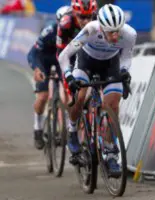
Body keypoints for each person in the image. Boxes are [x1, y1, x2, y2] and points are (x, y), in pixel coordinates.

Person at [58, 4, 136, 174]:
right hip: (86, 62)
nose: (115, 35)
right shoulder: (90, 30)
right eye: (110, 31)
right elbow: (64, 55)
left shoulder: (129, 34)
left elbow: (126, 58)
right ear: (101, 26)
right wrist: (69, 76)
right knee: (79, 97)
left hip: (110, 64)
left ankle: (110, 153)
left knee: (113, 106)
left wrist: (124, 72)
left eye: (118, 30)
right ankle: (72, 130)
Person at [27, 5, 71, 150]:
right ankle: (38, 128)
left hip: (61, 58)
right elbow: (33, 53)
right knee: (43, 97)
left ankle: (68, 128)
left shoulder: (75, 31)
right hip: (44, 58)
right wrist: (37, 69)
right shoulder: (49, 31)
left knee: (69, 94)